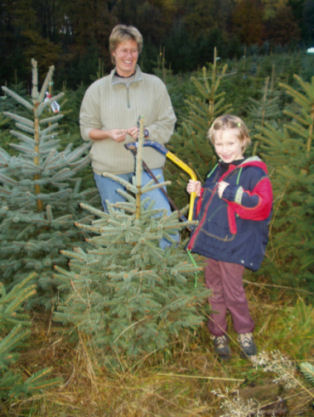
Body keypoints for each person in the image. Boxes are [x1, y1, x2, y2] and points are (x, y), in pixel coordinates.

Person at [79, 24, 177, 248]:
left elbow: (168, 123)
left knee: (164, 224)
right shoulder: (97, 90)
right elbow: (87, 130)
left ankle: (167, 273)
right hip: (109, 171)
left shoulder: (155, 86)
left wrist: (146, 132)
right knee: (119, 231)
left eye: (133, 50)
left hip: (149, 169)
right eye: (123, 50)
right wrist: (107, 134)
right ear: (113, 52)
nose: (129, 56)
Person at [186, 114, 273, 359]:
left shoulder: (254, 172)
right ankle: (218, 334)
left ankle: (245, 333)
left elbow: (262, 206)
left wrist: (235, 193)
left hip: (234, 246)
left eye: (230, 144)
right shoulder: (218, 168)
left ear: (243, 141)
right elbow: (213, 203)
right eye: (219, 144)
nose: (224, 150)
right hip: (212, 243)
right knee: (212, 289)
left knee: (233, 292)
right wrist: (199, 192)